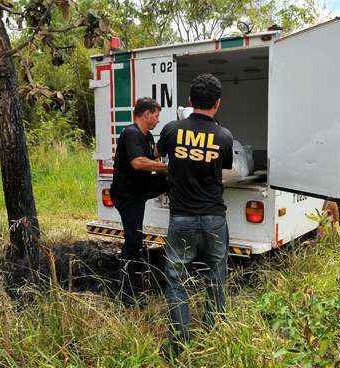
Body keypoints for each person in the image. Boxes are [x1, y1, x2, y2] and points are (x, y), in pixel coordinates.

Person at [156, 74, 234, 350]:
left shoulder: (171, 130)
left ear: (189, 101)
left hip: (181, 217)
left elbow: (159, 156)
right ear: (218, 104)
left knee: (176, 279)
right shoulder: (224, 136)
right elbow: (223, 168)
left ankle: (180, 342)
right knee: (216, 276)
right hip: (214, 217)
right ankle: (215, 335)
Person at [110, 97, 168, 308]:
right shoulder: (131, 133)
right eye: (156, 115)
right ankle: (127, 291)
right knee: (133, 239)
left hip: (140, 189)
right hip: (127, 195)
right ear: (146, 114)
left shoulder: (147, 135)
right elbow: (138, 162)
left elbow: (151, 154)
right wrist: (165, 168)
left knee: (170, 181)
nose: (158, 120)